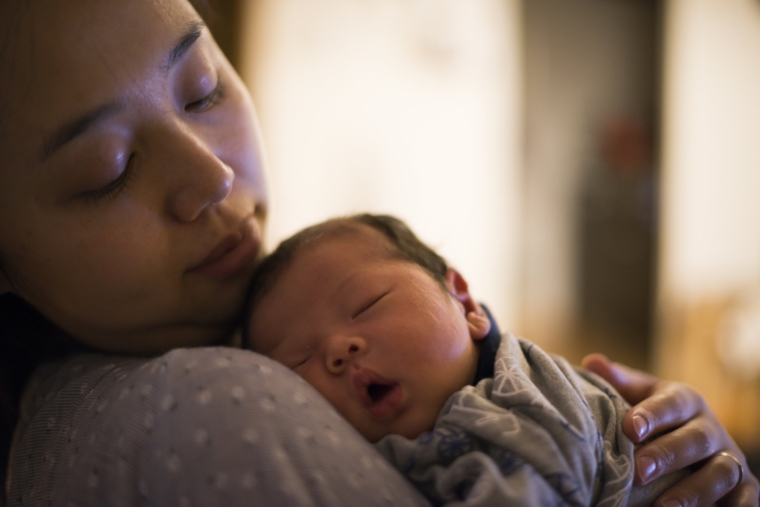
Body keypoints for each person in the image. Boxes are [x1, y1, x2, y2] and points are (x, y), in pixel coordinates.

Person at [0, 1, 756, 506]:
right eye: (108, 169)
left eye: (201, 90)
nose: (214, 176)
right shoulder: (202, 414)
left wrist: (680, 458)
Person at [242, 214, 685, 506]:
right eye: (299, 363)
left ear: (466, 303)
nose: (338, 349)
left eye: (367, 304)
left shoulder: (519, 393)